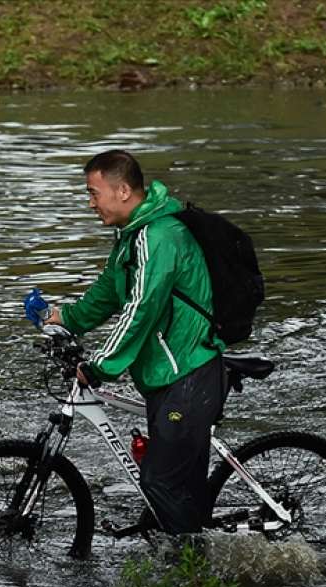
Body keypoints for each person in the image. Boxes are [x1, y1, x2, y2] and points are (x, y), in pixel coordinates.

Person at [47, 150, 226, 535]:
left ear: (123, 190)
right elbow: (109, 292)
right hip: (166, 376)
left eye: (94, 193)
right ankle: (191, 557)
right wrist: (65, 319)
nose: (90, 203)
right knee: (179, 488)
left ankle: (192, 572)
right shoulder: (131, 237)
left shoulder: (159, 237)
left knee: (159, 482)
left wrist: (100, 365)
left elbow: (141, 308)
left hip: (190, 375)